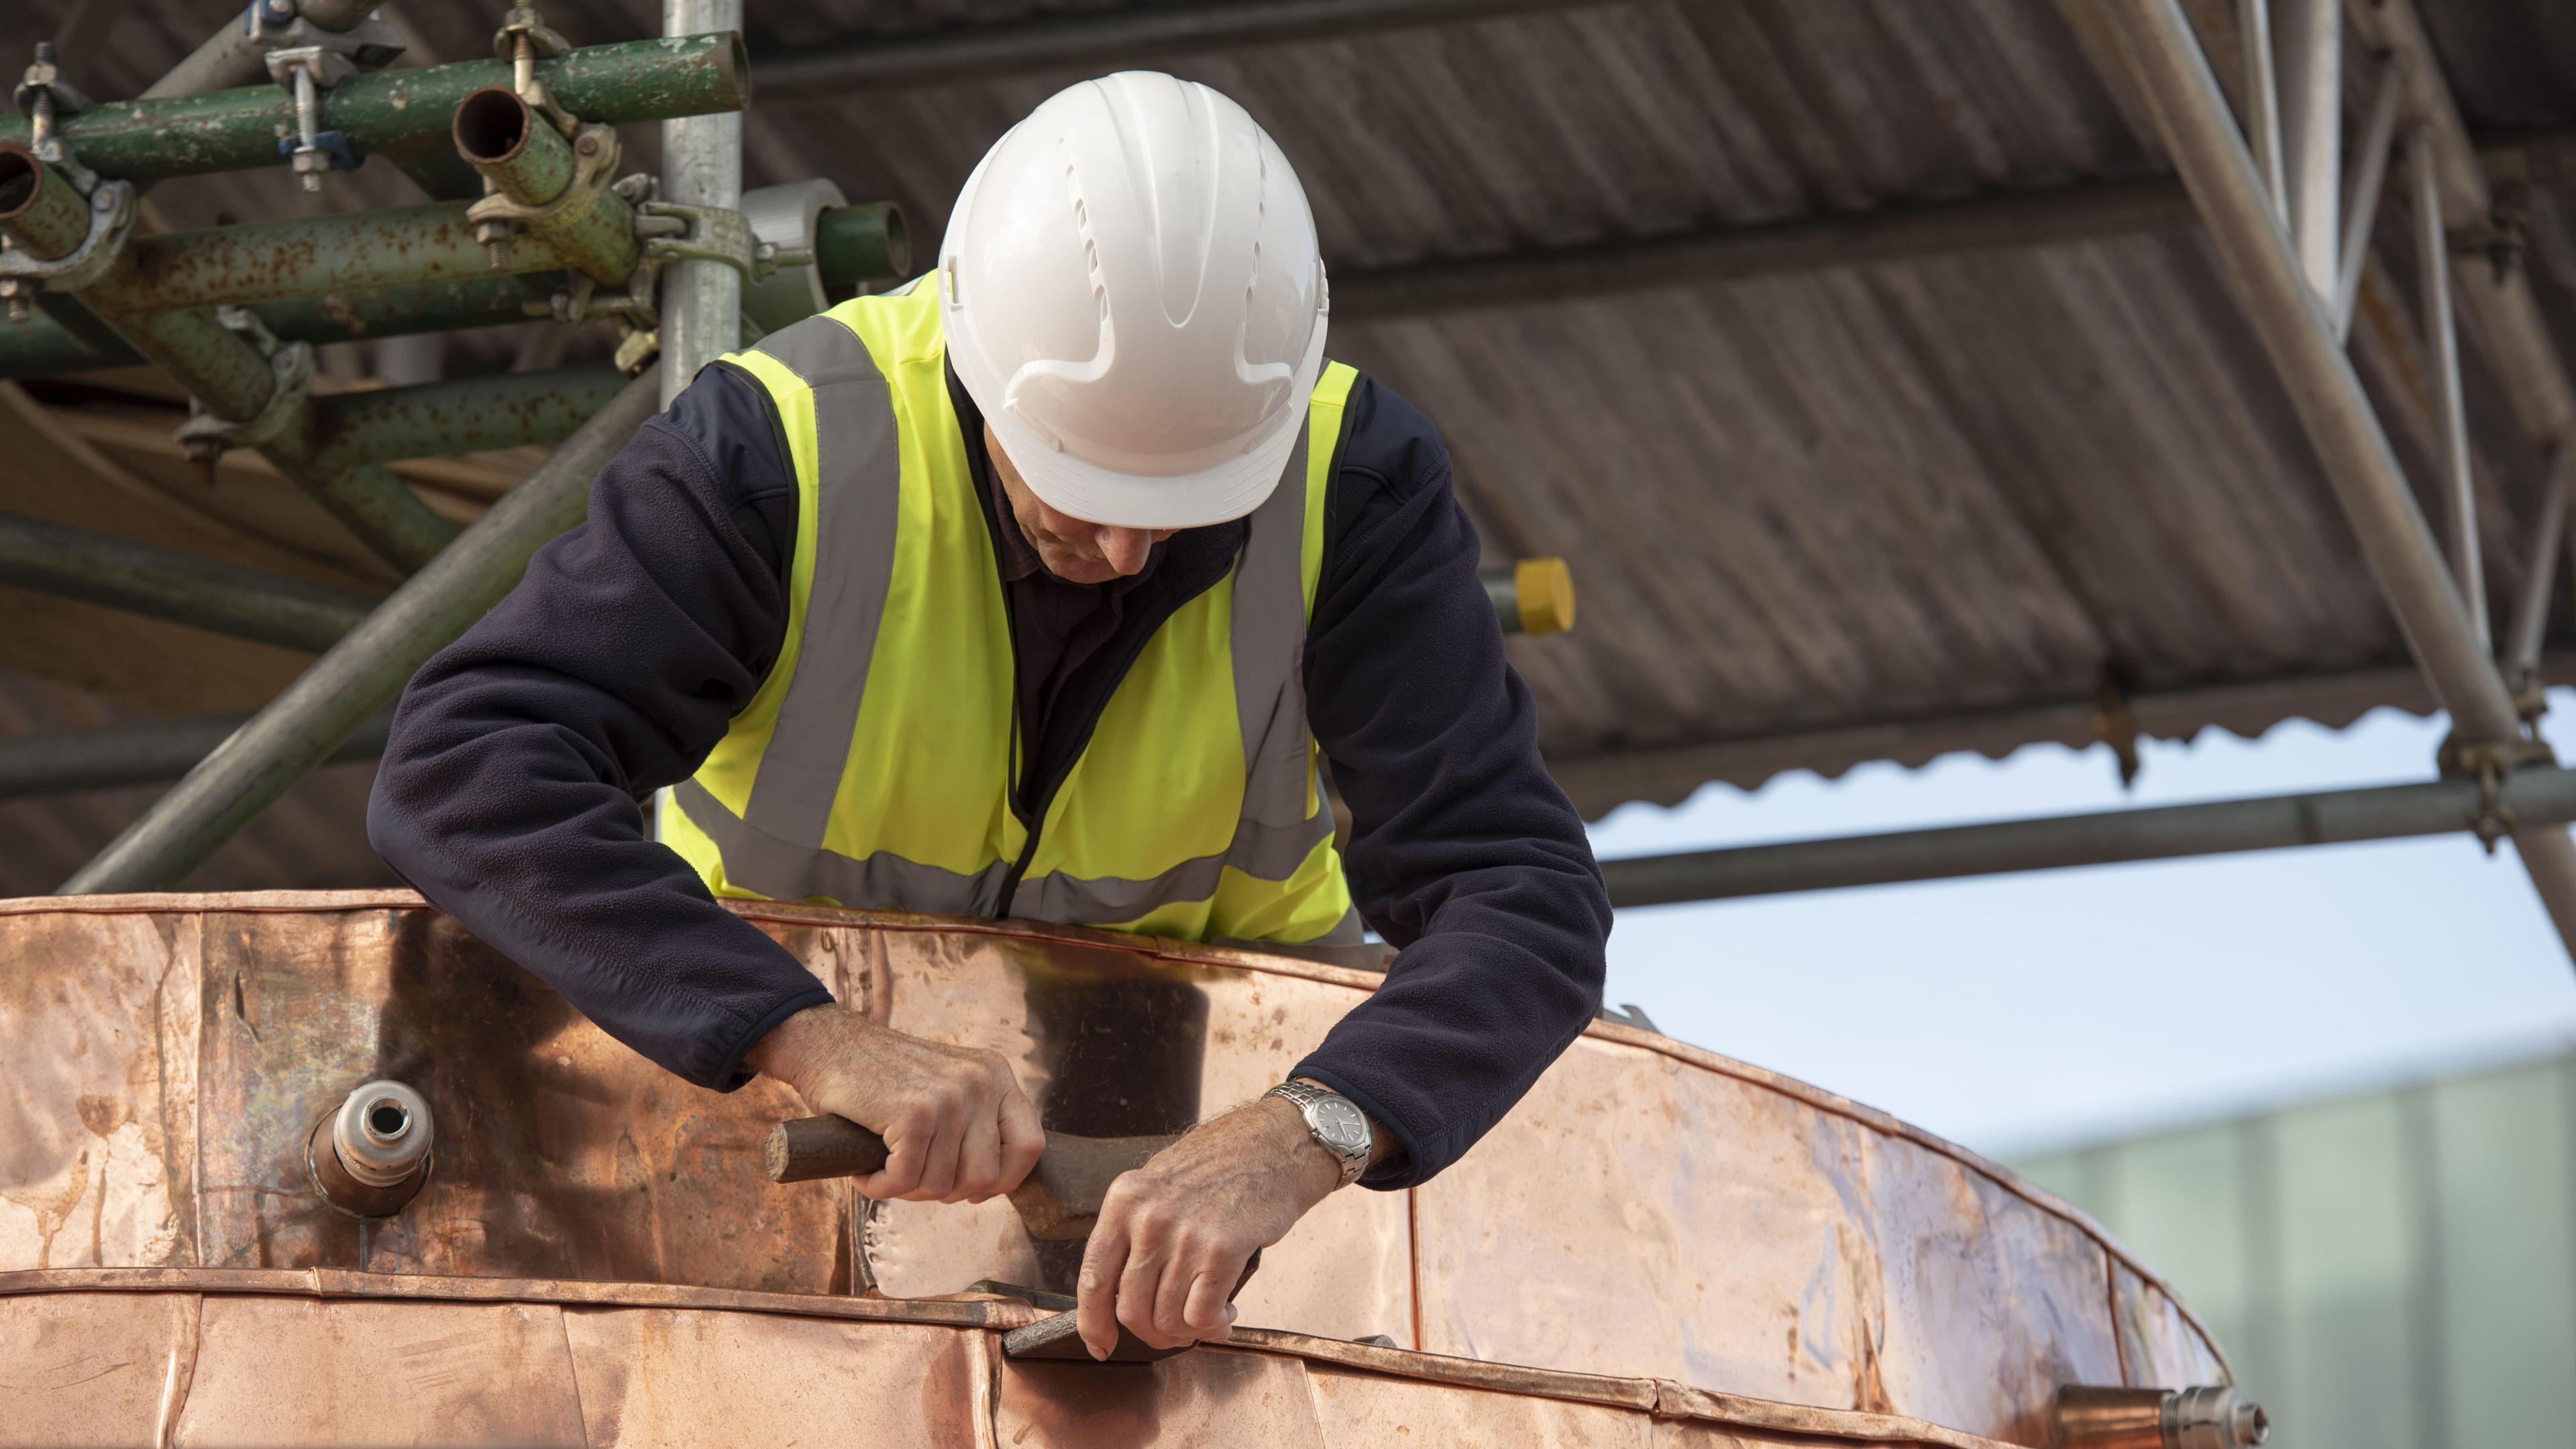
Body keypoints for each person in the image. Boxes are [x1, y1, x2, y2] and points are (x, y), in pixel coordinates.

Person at [368, 71, 1609, 1362]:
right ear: (976, 361)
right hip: (763, 1185)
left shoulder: (1355, 481)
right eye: (1077, 487)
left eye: (1186, 502)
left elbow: (1524, 892)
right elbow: (464, 767)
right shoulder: (780, 450)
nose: (1128, 551)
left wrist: (1314, 1128)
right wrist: (810, 1035)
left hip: (1220, 1213)